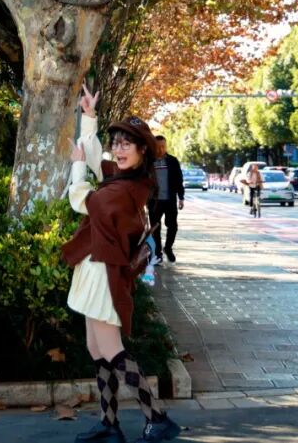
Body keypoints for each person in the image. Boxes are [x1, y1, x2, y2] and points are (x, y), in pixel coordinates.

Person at [61, 85, 181, 443]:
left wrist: (77, 165)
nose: (120, 149)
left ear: (143, 150)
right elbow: (98, 161)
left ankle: (157, 418)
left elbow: (84, 200)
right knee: (96, 349)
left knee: (112, 350)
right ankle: (109, 423)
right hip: (94, 265)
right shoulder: (124, 178)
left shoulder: (127, 189)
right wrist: (89, 118)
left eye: (128, 144)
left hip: (104, 271)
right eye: (117, 142)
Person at [149, 135, 184, 264]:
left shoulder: (172, 161)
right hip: (154, 201)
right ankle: (157, 253)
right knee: (155, 228)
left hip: (170, 200)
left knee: (173, 226)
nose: (160, 149)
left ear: (166, 146)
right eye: (158, 147)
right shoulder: (148, 162)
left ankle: (168, 248)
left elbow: (179, 180)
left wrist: (181, 197)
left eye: (163, 146)